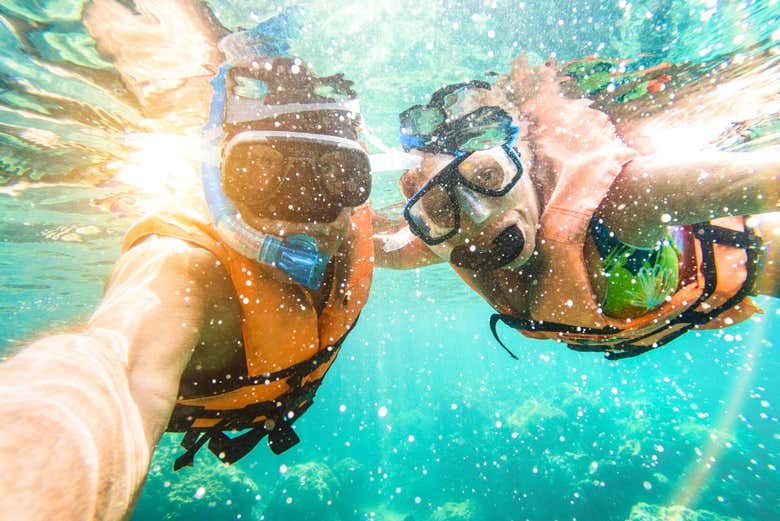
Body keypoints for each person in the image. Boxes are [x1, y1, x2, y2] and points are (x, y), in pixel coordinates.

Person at [0, 2, 373, 520]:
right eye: (263, 174)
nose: (301, 215)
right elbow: (114, 368)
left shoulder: (351, 230)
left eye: (338, 177)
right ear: (218, 180)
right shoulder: (181, 265)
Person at [375, 50, 779, 360]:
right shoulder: (450, 233)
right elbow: (378, 249)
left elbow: (765, 179)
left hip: (761, 256)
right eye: (443, 208)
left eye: (488, 177)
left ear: (527, 161)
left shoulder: (627, 200)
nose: (476, 216)